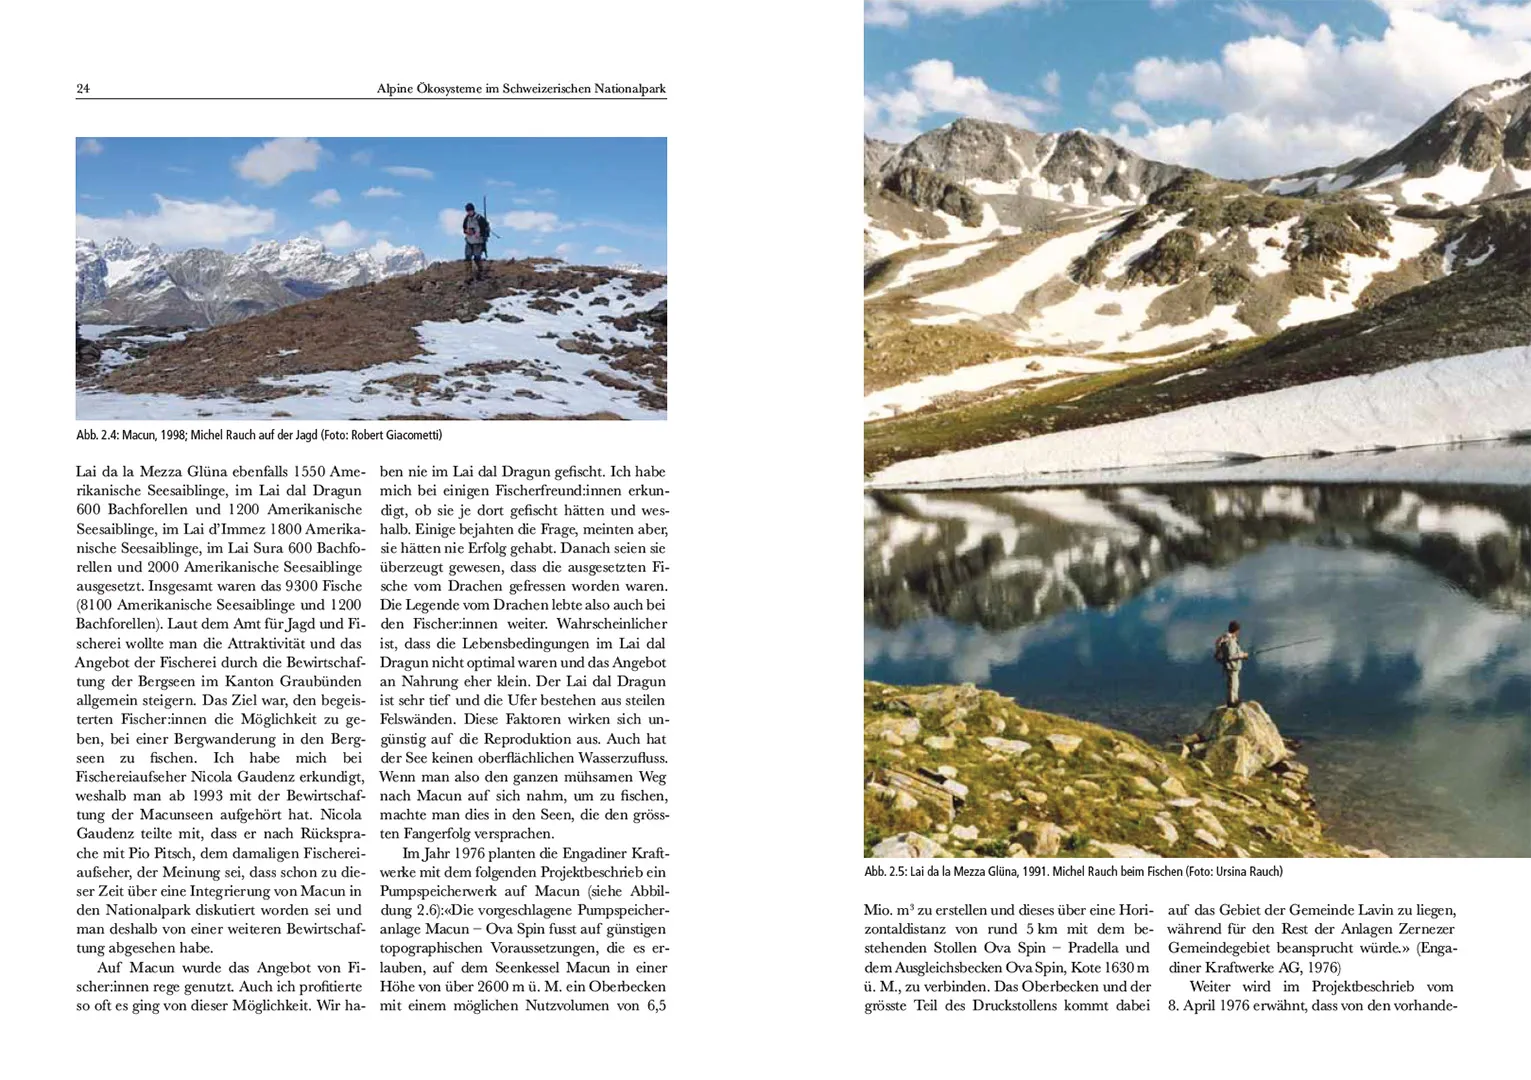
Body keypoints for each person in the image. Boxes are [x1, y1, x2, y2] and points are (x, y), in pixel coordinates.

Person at [1213, 620, 1249, 707]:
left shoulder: (1225, 638)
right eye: (1238, 630)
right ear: (1236, 630)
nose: (1238, 632)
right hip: (1232, 666)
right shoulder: (1230, 641)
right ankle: (1232, 702)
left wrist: (1241, 654)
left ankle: (1233, 700)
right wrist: (1243, 655)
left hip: (1229, 666)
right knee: (1233, 684)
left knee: (1232, 684)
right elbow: (1231, 656)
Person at [462, 202, 490, 281]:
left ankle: (480, 274)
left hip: (478, 241)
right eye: (467, 211)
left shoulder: (479, 218)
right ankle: (469, 276)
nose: (469, 212)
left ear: (473, 210)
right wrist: (467, 231)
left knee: (477, 257)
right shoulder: (466, 218)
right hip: (469, 240)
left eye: (470, 210)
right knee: (467, 257)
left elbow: (485, 229)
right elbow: (464, 228)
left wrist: (480, 233)